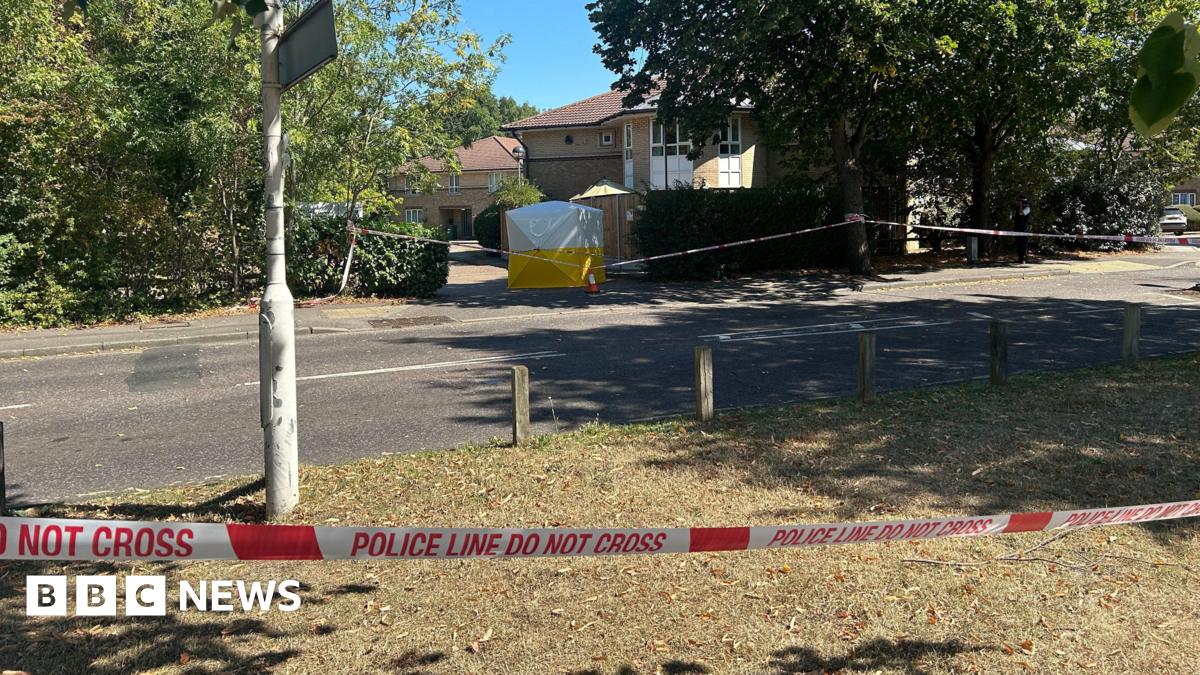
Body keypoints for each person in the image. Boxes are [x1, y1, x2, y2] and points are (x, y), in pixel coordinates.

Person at [1011, 197, 1032, 264]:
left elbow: (1021, 213)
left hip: (1024, 229)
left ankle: (1024, 259)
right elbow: (1012, 217)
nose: (1018, 203)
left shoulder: (1027, 208)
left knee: (1024, 244)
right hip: (1017, 228)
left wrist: (1020, 206)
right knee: (1018, 244)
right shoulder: (1015, 209)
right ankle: (1020, 259)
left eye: (1020, 202)